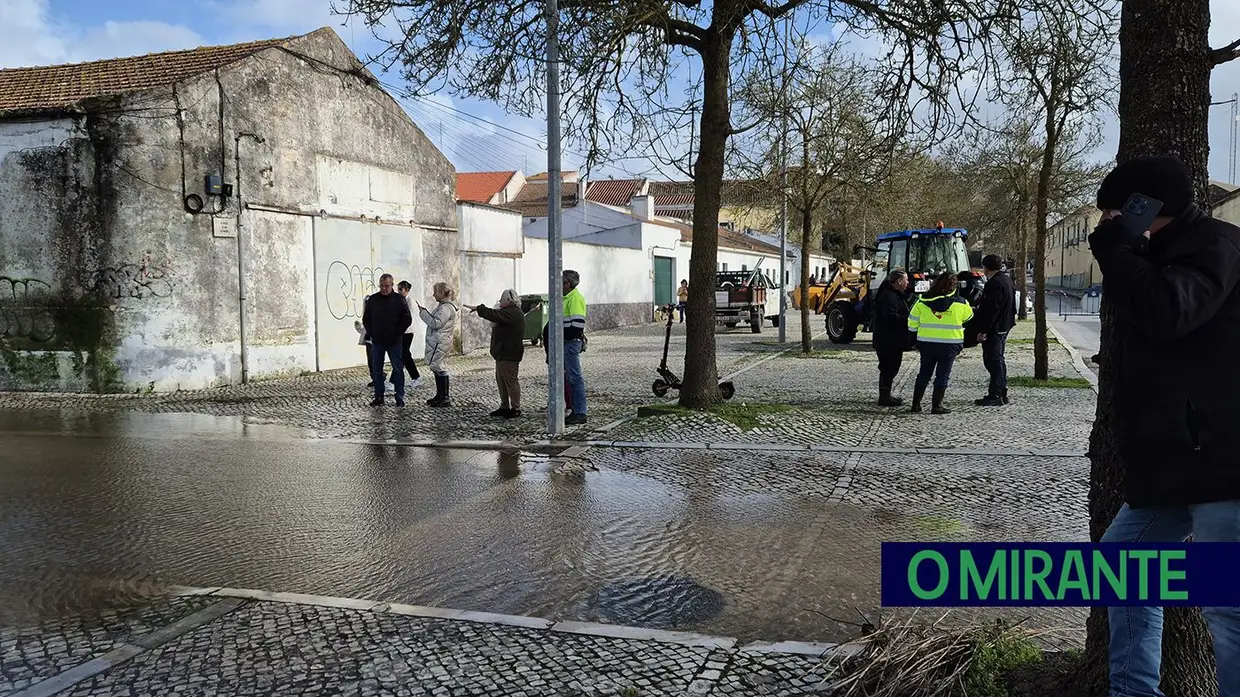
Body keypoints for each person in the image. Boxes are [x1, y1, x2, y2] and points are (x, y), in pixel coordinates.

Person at [1087, 155, 1240, 697]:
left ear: (1141, 208)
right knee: (1122, 570)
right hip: (1176, 460)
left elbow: (1169, 312)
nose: (1104, 225)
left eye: (1112, 214)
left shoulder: (1215, 246)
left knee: (1228, 607)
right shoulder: (1160, 252)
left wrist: (1119, 254)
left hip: (1223, 459)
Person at [906, 273, 973, 414]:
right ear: (954, 286)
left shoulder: (922, 301)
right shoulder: (961, 303)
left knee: (924, 374)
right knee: (943, 375)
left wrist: (913, 340)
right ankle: (937, 405)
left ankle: (916, 404)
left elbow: (912, 323)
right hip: (950, 345)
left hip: (926, 344)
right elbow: (968, 319)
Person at [465, 288, 526, 418]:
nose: (500, 302)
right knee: (501, 380)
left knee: (510, 381)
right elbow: (496, 315)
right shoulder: (509, 312)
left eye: (502, 300)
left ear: (509, 301)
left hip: (508, 354)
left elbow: (494, 315)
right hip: (503, 353)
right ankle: (505, 406)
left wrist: (479, 309)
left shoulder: (513, 313)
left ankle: (516, 408)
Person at [541, 269, 588, 425]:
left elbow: (576, 327)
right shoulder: (564, 298)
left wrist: (556, 334)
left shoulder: (575, 299)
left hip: (571, 343)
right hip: (564, 344)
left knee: (575, 378)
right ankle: (573, 409)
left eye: (561, 282)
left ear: (567, 284)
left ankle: (580, 412)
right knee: (568, 378)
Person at [969, 255, 1016, 406]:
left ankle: (995, 394)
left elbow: (991, 310)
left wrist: (983, 330)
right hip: (1004, 325)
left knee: (993, 361)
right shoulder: (1007, 280)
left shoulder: (993, 284)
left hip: (995, 328)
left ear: (986, 268)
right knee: (999, 360)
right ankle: (1001, 392)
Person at [361, 274, 412, 407]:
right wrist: (372, 332)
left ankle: (399, 396)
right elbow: (366, 319)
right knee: (377, 369)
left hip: (394, 341)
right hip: (378, 341)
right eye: (382, 286)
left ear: (392, 285)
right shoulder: (373, 300)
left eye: (387, 286)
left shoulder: (399, 299)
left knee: (398, 369)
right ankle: (379, 396)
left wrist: (397, 333)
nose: (384, 288)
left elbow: (407, 319)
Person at [871, 269, 912, 406]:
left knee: (891, 367)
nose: (908, 283)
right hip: (887, 340)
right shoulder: (889, 296)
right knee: (889, 367)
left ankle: (886, 395)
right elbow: (890, 318)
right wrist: (908, 318)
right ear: (899, 281)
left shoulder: (894, 295)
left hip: (891, 339)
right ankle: (884, 397)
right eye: (906, 280)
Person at [417, 282, 459, 408]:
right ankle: (440, 395)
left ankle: (444, 397)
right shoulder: (443, 306)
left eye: (435, 292)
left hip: (440, 341)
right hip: (439, 340)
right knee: (436, 367)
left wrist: (423, 314)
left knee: (439, 367)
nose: (433, 295)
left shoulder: (446, 308)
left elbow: (436, 323)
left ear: (441, 293)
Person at [395, 281, 423, 389]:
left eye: (401, 289)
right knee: (403, 355)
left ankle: (414, 377)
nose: (399, 291)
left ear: (406, 290)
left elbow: (410, 318)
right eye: (398, 289)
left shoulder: (410, 301)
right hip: (401, 331)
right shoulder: (399, 300)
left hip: (408, 331)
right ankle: (415, 377)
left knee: (404, 354)